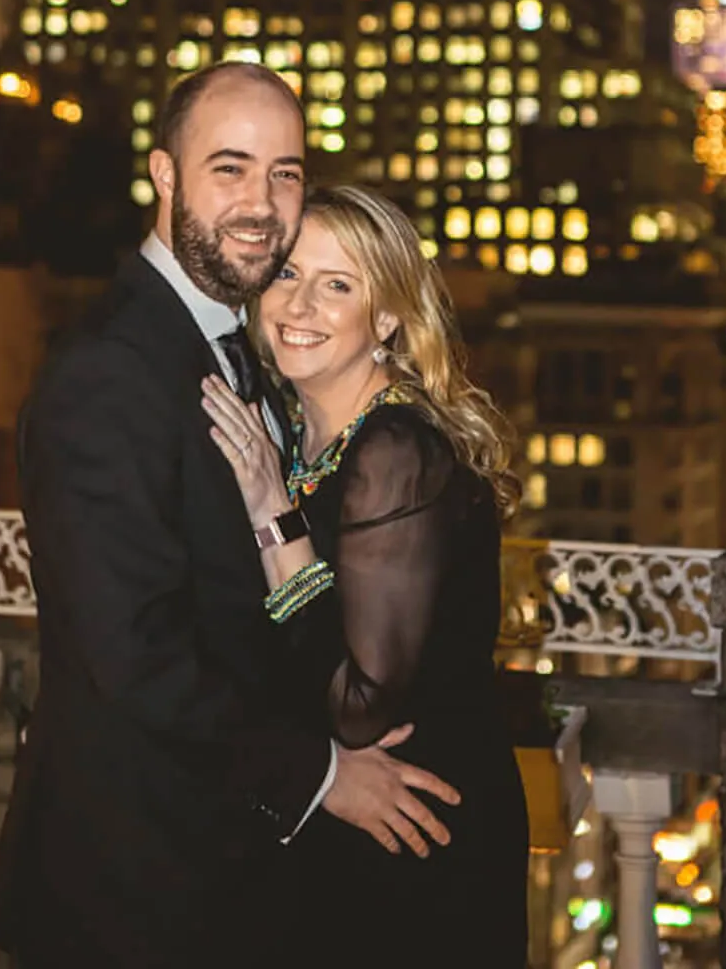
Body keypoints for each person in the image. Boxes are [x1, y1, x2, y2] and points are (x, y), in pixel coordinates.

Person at [0, 64, 460, 968]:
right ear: (165, 175)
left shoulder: (245, 346)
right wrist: (323, 777)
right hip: (129, 895)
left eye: (285, 172)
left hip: (231, 883)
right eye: (230, 167)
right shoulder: (107, 373)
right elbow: (133, 656)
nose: (262, 200)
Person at [201, 183, 530, 968]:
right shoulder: (298, 436)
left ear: (386, 317)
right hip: (344, 819)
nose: (300, 303)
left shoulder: (395, 451)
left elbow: (359, 707)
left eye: (337, 284)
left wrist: (274, 514)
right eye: (286, 273)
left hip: (416, 834)